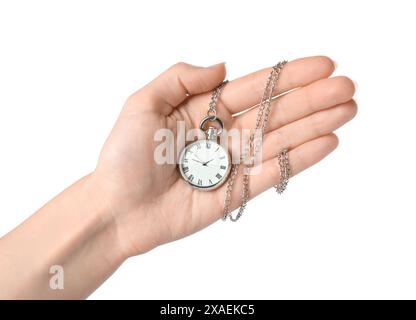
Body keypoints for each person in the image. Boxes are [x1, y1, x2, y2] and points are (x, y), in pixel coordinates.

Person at [0, 56, 357, 299]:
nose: (202, 166)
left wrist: (111, 217)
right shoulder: (186, 152)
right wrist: (110, 209)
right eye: (200, 165)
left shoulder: (213, 151)